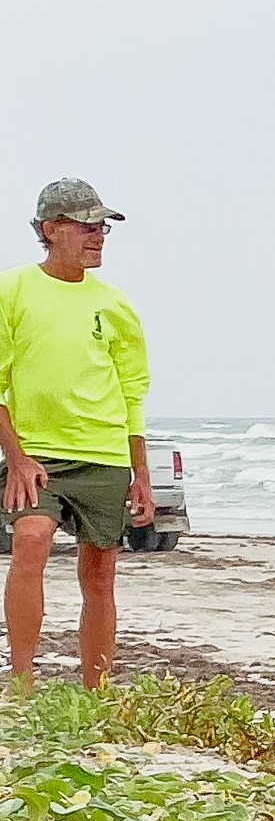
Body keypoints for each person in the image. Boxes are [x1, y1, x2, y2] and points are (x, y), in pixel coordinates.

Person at [0, 179, 155, 687]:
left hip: (104, 454)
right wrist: (17, 459)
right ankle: (22, 686)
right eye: (87, 226)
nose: (99, 235)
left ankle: (96, 692)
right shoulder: (13, 289)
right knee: (31, 538)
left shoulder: (114, 303)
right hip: (37, 454)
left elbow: (132, 392)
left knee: (100, 574)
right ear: (51, 229)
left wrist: (142, 476)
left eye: (102, 226)